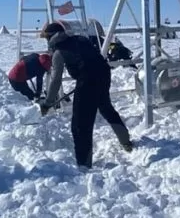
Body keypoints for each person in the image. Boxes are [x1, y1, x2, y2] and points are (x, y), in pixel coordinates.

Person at [39, 22, 133, 168]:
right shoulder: (80, 39)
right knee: (106, 108)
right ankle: (126, 141)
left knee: (80, 125)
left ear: (51, 38)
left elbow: (56, 79)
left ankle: (83, 164)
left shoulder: (59, 52)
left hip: (87, 82)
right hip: (103, 75)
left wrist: (48, 102)